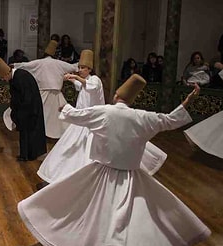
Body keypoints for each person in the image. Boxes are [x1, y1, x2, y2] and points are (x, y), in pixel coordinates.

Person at [18, 75, 210, 246]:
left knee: (92, 209)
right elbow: (170, 120)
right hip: (130, 176)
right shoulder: (143, 117)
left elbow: (77, 115)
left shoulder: (105, 112)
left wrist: (64, 108)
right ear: (132, 99)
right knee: (128, 214)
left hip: (102, 173)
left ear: (117, 94)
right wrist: (189, 100)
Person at [37, 50, 167, 185]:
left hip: (94, 121)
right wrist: (70, 79)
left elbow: (90, 86)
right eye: (80, 68)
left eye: (83, 68)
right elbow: (81, 85)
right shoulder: (85, 81)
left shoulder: (95, 80)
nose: (80, 70)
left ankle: (90, 178)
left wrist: (75, 77)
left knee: (91, 149)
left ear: (89, 69)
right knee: (70, 147)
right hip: (81, 120)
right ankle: (63, 174)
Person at [13, 40, 78, 139]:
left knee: (40, 114)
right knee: (58, 116)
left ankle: (39, 133)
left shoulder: (39, 62)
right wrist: (82, 64)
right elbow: (73, 67)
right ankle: (61, 134)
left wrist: (14, 65)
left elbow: (26, 65)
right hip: (55, 94)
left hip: (43, 93)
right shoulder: (59, 63)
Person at [0, 57, 46, 161]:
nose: (3, 80)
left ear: (7, 73)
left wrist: (20, 113)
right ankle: (25, 155)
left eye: (3, 77)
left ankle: (28, 155)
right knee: (25, 133)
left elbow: (27, 98)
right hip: (25, 109)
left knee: (29, 133)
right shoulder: (16, 77)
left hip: (30, 110)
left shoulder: (21, 77)